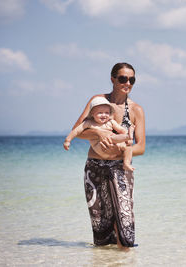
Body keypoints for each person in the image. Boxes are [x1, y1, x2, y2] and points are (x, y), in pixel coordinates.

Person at [71, 62, 145, 249]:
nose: (127, 83)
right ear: (112, 79)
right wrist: (99, 133)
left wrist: (122, 150)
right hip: (94, 167)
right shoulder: (98, 102)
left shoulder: (136, 110)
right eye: (122, 78)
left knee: (124, 222)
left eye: (131, 80)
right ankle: (105, 261)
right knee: (101, 224)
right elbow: (77, 131)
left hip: (121, 168)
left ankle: (126, 259)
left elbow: (141, 147)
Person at [63, 96, 135, 171]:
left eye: (106, 113)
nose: (104, 115)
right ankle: (128, 136)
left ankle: (126, 163)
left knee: (128, 147)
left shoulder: (110, 122)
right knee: (110, 137)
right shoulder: (88, 123)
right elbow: (76, 131)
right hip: (99, 147)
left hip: (113, 146)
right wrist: (67, 140)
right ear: (92, 114)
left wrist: (125, 135)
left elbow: (121, 130)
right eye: (100, 113)